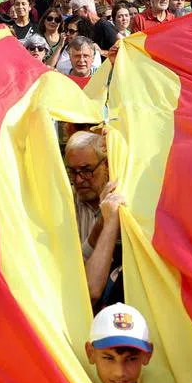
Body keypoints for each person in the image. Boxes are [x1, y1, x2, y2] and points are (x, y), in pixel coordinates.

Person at [64, 130, 125, 309]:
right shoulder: (65, 204)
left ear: (106, 165)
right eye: (72, 172)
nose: (79, 179)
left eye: (86, 170)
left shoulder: (123, 198)